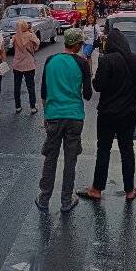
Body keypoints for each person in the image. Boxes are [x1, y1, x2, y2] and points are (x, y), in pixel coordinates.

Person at [77, 29, 136, 202]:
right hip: (129, 113)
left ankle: (97, 189)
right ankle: (130, 190)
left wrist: (94, 78)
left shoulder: (107, 60)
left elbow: (98, 86)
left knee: (103, 149)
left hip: (108, 113)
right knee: (127, 149)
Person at [35, 28, 92, 214]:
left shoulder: (51, 60)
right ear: (76, 45)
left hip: (53, 115)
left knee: (50, 157)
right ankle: (66, 201)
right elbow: (88, 95)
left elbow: (44, 93)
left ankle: (44, 198)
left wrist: (46, 115)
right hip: (74, 116)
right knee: (70, 160)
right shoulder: (82, 63)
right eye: (81, 44)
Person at [12, 21, 40, 114]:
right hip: (29, 64)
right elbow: (37, 43)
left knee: (17, 86)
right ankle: (32, 107)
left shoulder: (15, 37)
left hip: (17, 64)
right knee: (30, 86)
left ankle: (18, 106)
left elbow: (11, 46)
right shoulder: (30, 35)